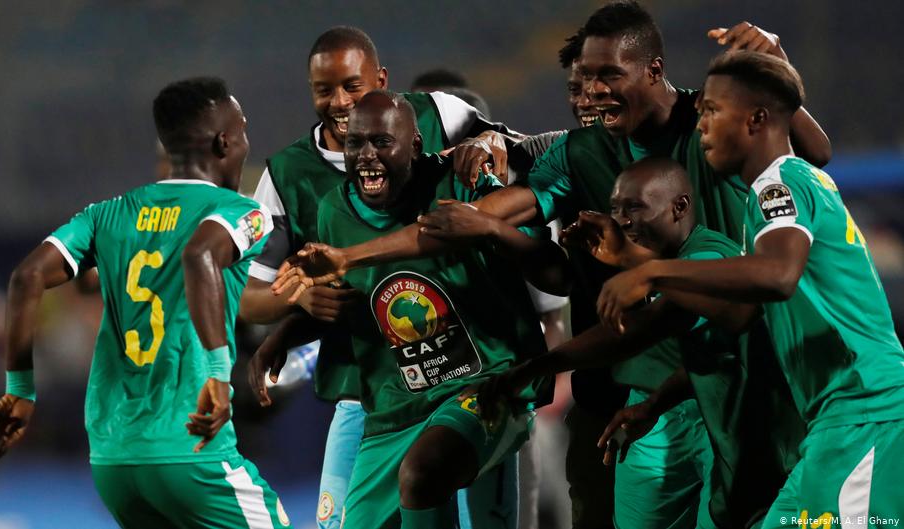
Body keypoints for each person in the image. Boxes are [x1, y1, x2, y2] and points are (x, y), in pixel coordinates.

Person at [272, 5, 830, 528]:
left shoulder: (710, 123)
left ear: (654, 69)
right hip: (627, 385)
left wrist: (775, 67)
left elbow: (812, 151)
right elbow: (481, 222)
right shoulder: (574, 150)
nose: (590, 93)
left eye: (606, 76)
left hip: (749, 377)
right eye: (581, 80)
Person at [596, 51, 904, 527]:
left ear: (756, 119)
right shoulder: (788, 192)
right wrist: (655, 403)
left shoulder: (777, 183)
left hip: (863, 415)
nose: (702, 125)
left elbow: (778, 275)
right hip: (841, 421)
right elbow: (740, 324)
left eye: (713, 111)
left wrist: (654, 274)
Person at [0, 77, 292, 529]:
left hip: (114, 461)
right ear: (225, 141)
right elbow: (201, 256)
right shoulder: (242, 212)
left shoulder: (106, 214)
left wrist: (20, 392)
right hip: (191, 455)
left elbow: (27, 277)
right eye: (243, 130)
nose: (245, 141)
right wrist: (219, 375)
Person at [238, 26, 516, 529]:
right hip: (368, 390)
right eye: (325, 90)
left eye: (352, 86)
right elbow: (250, 297)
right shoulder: (286, 176)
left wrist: (492, 139)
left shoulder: (439, 114)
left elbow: (512, 156)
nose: (340, 102)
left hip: (466, 374)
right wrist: (298, 306)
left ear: (382, 79)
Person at [469, 157, 807, 528]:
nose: (622, 220)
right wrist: (653, 404)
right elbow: (703, 354)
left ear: (679, 207)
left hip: (743, 431)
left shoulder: (707, 256)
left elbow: (640, 329)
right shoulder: (652, 265)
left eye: (635, 207)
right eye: (615, 208)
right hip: (669, 409)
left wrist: (535, 367)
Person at [308, 89, 569, 529]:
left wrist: (489, 221)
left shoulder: (461, 182)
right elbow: (344, 298)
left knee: (424, 472)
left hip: (485, 386)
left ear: (415, 146)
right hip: (397, 406)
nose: (366, 156)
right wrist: (292, 318)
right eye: (355, 144)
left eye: (381, 143)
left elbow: (556, 276)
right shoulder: (333, 211)